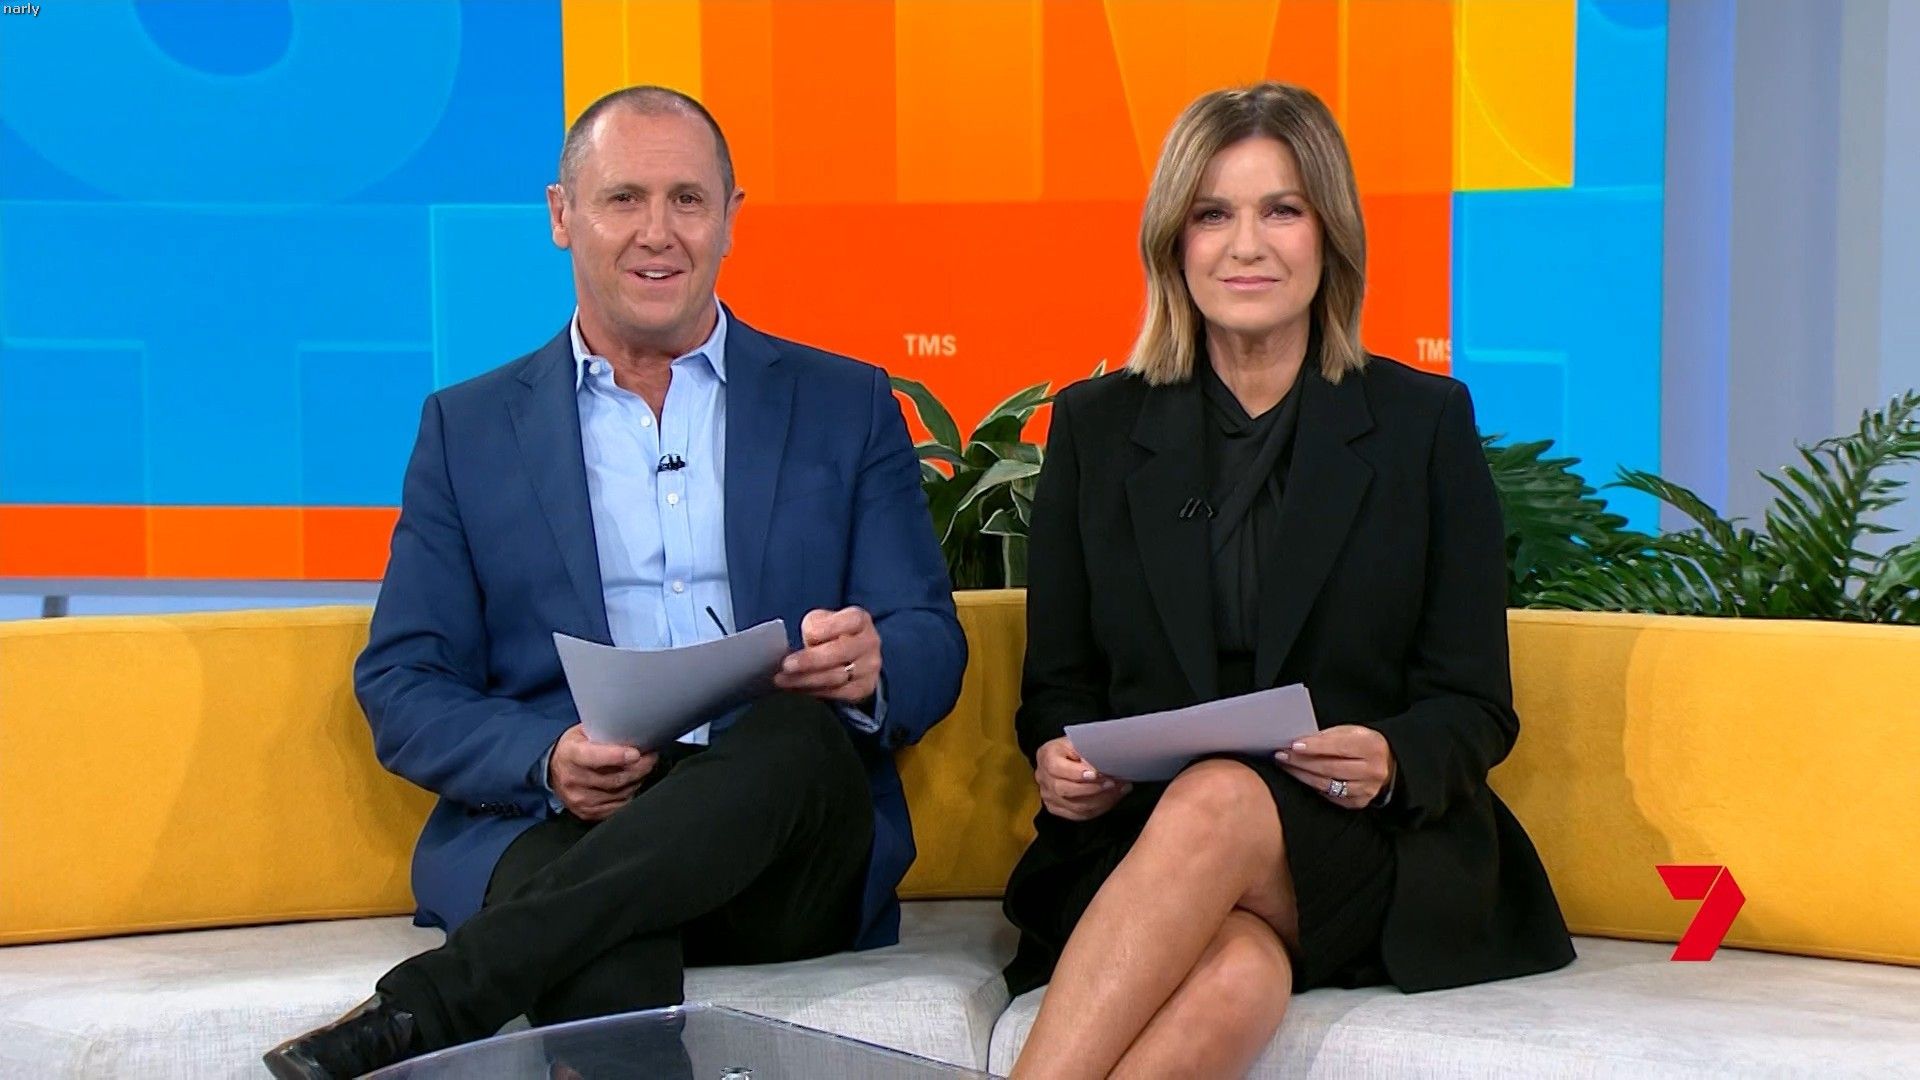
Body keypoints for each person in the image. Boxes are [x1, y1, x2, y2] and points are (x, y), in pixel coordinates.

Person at [263, 86, 966, 1079]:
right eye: (623, 198)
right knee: (602, 930)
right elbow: (404, 683)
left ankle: (426, 1009)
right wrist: (546, 757)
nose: (657, 232)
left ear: (731, 218)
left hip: (780, 842)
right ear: (562, 216)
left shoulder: (843, 403)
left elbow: (931, 639)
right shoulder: (469, 430)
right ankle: (462, 995)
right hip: (565, 822)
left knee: (795, 736)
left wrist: (872, 664)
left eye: (688, 200)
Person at [1001, 82, 1575, 1079]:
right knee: (1236, 978)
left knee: (1222, 798)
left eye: (1281, 210)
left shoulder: (1420, 426)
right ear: (1173, 243)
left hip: (1363, 841)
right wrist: (1060, 761)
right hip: (1142, 841)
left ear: (1329, 234)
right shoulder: (1097, 428)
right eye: (1212, 214)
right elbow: (1059, 686)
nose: (1246, 246)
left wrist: (1390, 757)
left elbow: (1476, 703)